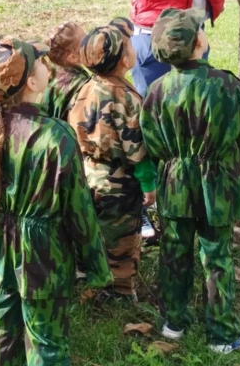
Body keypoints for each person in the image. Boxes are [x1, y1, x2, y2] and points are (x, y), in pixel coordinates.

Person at [0, 36, 112, 366]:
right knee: (47, 342)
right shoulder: (56, 136)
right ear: (30, 82)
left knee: (0, 332)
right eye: (41, 63)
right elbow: (78, 209)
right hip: (44, 256)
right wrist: (96, 264)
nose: (47, 66)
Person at [140, 8, 240, 354]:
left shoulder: (156, 91)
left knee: (174, 252)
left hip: (173, 181)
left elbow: (151, 143)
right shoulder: (228, 85)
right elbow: (238, 137)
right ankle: (222, 332)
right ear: (198, 42)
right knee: (217, 255)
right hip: (216, 180)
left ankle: (173, 321)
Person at [67, 20, 156, 300]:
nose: (134, 49)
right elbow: (136, 149)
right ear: (120, 60)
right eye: (129, 46)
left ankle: (86, 274)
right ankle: (118, 291)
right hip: (119, 182)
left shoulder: (84, 88)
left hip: (87, 173)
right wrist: (148, 183)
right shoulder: (127, 97)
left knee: (90, 230)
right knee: (121, 240)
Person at [41, 21, 89, 120]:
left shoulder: (53, 74)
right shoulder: (82, 85)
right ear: (73, 58)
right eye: (85, 39)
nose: (90, 40)